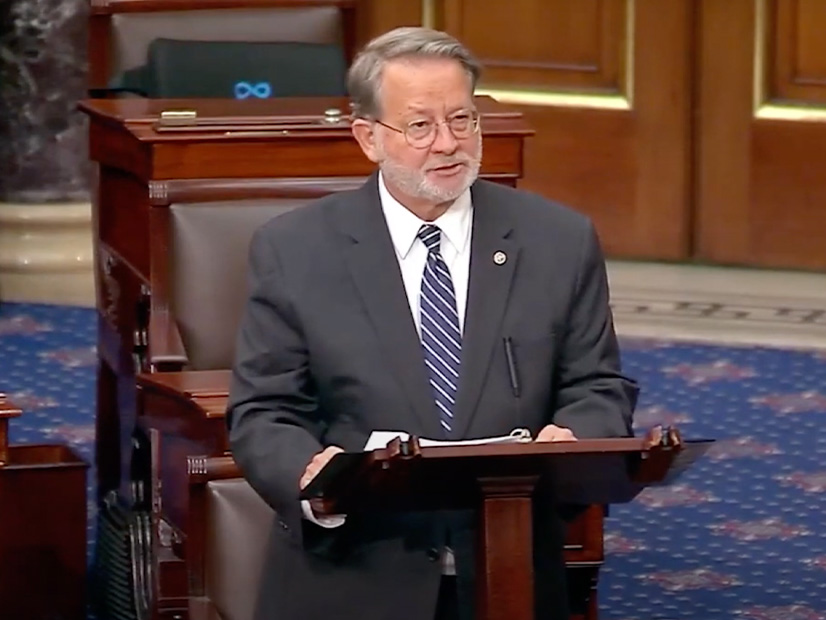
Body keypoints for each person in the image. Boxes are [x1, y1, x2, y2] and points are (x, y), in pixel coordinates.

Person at [226, 26, 638, 620]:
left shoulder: (558, 240)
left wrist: (574, 439)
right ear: (368, 137)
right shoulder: (295, 249)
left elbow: (596, 387)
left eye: (463, 120)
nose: (448, 144)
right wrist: (313, 478)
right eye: (420, 126)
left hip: (508, 568)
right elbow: (265, 411)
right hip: (355, 571)